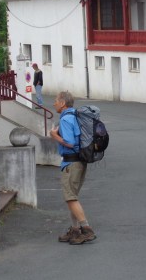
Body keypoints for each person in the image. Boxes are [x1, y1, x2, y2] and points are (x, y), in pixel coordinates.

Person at [49, 91, 96, 245]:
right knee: (73, 197)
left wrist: (54, 135)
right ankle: (75, 230)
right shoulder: (75, 116)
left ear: (63, 103)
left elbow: (69, 142)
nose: (54, 103)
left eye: (56, 100)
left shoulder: (66, 119)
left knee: (70, 197)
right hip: (79, 161)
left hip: (71, 163)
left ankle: (86, 229)